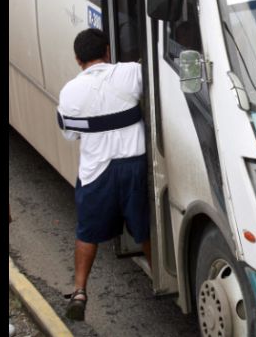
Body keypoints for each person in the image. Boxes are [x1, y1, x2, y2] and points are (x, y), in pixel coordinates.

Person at [56, 28, 151, 321]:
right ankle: (161, 280)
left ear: (78, 59)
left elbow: (70, 134)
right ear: (107, 51)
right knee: (145, 231)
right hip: (134, 165)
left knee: (87, 233)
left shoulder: (70, 92)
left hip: (96, 172)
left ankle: (80, 291)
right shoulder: (131, 73)